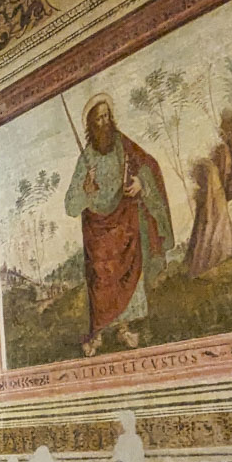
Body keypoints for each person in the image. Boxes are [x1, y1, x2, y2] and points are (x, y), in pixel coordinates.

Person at [63, 95, 174, 357]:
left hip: (125, 223)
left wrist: (140, 183)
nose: (104, 122)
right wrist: (86, 189)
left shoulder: (124, 146)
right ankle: (99, 333)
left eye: (107, 116)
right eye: (98, 119)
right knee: (101, 280)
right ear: (90, 125)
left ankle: (124, 328)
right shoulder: (86, 158)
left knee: (129, 274)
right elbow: (70, 205)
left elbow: (148, 165)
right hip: (98, 232)